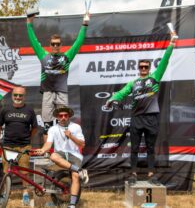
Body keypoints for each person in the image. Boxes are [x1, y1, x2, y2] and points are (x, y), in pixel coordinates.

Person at [104, 31, 178, 186]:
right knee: (135, 148)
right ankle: (133, 174)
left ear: (149, 68)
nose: (143, 69)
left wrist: (171, 44)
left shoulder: (155, 77)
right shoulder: (134, 83)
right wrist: (111, 99)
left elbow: (164, 60)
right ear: (138, 68)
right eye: (141, 67)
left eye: (146, 67)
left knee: (151, 147)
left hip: (152, 117)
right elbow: (122, 92)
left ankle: (151, 175)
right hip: (137, 118)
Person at [26, 12, 90, 141]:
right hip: (48, 92)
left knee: (63, 122)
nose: (55, 46)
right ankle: (48, 155)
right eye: (53, 44)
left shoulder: (66, 57)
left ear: (61, 45)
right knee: (47, 125)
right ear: (50, 45)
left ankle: (63, 151)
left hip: (62, 93)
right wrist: (29, 23)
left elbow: (78, 42)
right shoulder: (43, 55)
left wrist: (84, 25)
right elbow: (33, 40)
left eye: (58, 44)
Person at [35, 106, 88, 208]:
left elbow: (82, 145)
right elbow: (48, 144)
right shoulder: (53, 129)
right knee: (53, 156)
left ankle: (72, 204)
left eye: (65, 115)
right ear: (57, 117)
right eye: (61, 116)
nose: (63, 117)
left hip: (74, 154)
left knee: (75, 176)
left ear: (69, 116)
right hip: (60, 154)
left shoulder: (76, 127)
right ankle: (79, 170)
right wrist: (42, 150)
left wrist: (71, 136)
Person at [0, 86, 38, 206]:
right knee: (6, 171)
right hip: (8, 146)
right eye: (16, 95)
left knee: (24, 172)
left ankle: (25, 194)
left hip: (24, 147)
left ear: (24, 96)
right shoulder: (5, 109)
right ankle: (4, 193)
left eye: (20, 95)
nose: (18, 97)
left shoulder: (29, 110)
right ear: (12, 96)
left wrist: (28, 138)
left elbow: (35, 127)